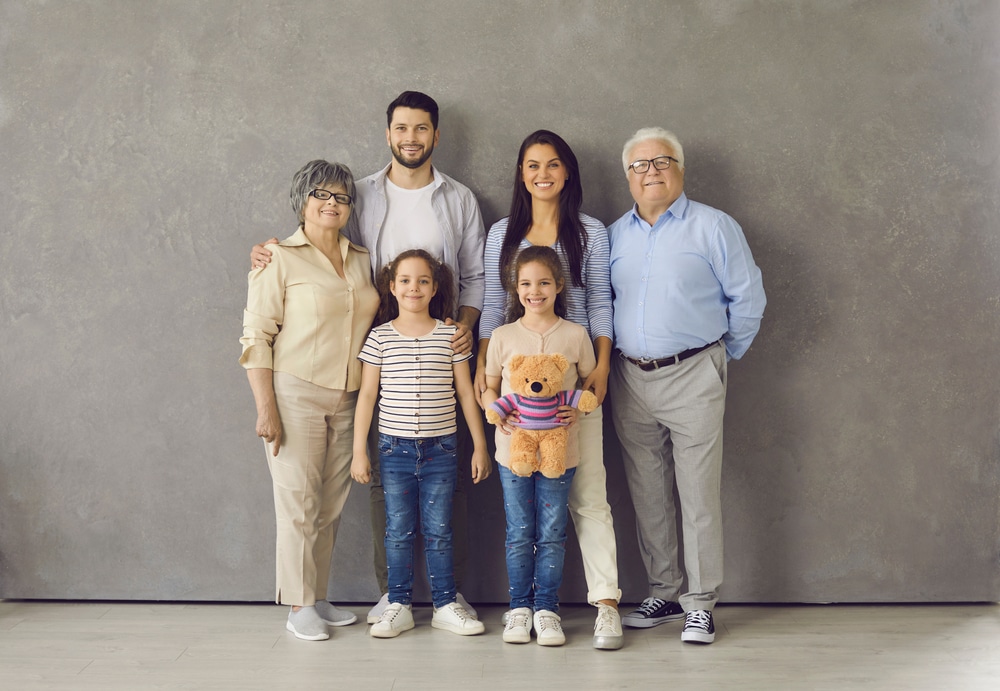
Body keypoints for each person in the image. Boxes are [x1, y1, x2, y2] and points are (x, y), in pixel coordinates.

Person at [251, 91, 486, 623]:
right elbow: (316, 237)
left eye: (421, 129)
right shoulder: (356, 193)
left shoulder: (459, 199)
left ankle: (450, 593)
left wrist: (464, 332)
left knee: (443, 473)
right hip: (376, 348)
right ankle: (391, 593)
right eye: (401, 128)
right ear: (388, 134)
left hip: (441, 340)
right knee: (387, 474)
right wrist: (271, 248)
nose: (411, 138)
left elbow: (474, 275)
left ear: (436, 136)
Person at [608, 128, 766, 644]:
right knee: (647, 492)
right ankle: (665, 592)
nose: (650, 172)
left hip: (695, 371)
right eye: (640, 165)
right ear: (627, 176)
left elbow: (748, 300)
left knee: (698, 494)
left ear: (680, 168)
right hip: (629, 378)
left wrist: (720, 358)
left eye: (662, 162)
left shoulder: (714, 227)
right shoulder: (615, 235)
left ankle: (700, 603)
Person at [476, 130, 623, 650]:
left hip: (575, 386)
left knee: (588, 496)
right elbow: (494, 309)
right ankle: (528, 608)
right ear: (521, 174)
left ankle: (606, 604)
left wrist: (600, 369)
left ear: (568, 172)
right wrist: (484, 374)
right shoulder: (502, 234)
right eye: (533, 165)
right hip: (517, 395)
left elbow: (601, 303)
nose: (543, 173)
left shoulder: (591, 232)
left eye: (554, 164)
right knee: (524, 508)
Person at [240, 160, 379, 641]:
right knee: (297, 501)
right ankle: (298, 604)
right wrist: (265, 408)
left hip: (350, 394)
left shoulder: (361, 258)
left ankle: (317, 595)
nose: (332, 204)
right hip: (294, 391)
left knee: (329, 504)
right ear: (302, 199)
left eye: (341, 197)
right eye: (322, 194)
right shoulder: (277, 258)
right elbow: (256, 336)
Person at [351, 249, 490, 639]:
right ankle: (398, 604)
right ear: (392, 287)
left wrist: (479, 446)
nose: (414, 287)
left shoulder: (450, 336)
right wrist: (359, 450)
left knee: (441, 529)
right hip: (393, 450)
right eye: (406, 280)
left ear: (435, 288)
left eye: (423, 281)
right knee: (397, 529)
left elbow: (465, 395)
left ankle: (446, 604)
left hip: (442, 450)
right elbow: (367, 397)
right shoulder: (379, 337)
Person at [482, 246, 597, 647]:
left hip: (559, 453)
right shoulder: (502, 336)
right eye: (527, 283)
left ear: (559, 286)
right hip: (511, 449)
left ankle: (547, 610)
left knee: (551, 532)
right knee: (518, 531)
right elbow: (489, 387)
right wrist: (495, 413)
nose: (535, 291)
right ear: (516, 287)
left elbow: (588, 386)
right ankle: (519, 609)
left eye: (544, 282)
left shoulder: (575, 335)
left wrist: (578, 411)